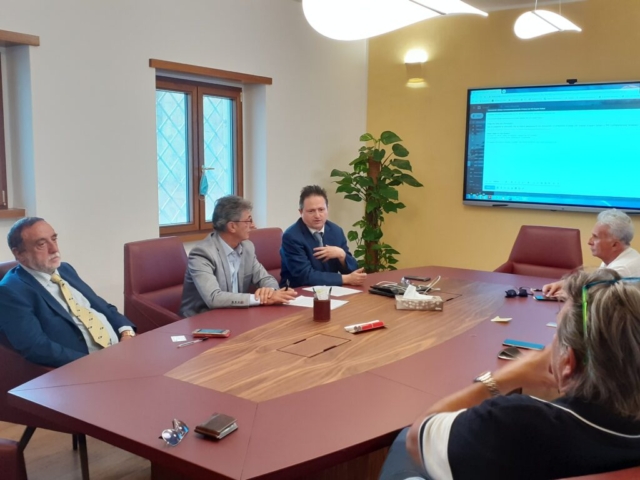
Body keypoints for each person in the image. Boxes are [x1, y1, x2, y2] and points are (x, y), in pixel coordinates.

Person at [379, 268, 640, 480]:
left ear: (568, 361)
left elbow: (418, 437)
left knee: (402, 439)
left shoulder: (515, 422)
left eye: (557, 333)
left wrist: (503, 379)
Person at [0, 217, 136, 368]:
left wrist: (126, 332)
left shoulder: (65, 269)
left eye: (54, 239)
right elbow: (37, 348)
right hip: (84, 368)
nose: (54, 249)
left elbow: (102, 306)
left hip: (121, 350)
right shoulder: (10, 291)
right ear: (19, 254)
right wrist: (95, 363)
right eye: (41, 244)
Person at [179, 195, 297, 317]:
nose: (253, 225)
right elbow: (214, 298)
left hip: (236, 314)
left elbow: (266, 279)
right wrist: (259, 299)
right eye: (248, 221)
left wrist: (270, 292)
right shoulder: (202, 253)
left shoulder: (247, 247)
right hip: (203, 318)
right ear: (232, 226)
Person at [280, 185, 366, 288]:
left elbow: (353, 271)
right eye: (311, 211)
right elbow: (305, 276)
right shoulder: (291, 236)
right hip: (299, 291)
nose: (317, 215)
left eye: (321, 209)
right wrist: (345, 279)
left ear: (327, 209)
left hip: (332, 289)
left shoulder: (336, 231)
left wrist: (342, 255)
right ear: (301, 212)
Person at [543, 208, 640, 297]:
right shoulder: (623, 255)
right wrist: (565, 284)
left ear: (615, 245)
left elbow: (594, 298)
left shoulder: (621, 269)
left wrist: (571, 295)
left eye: (595, 237)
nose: (589, 242)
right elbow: (594, 280)